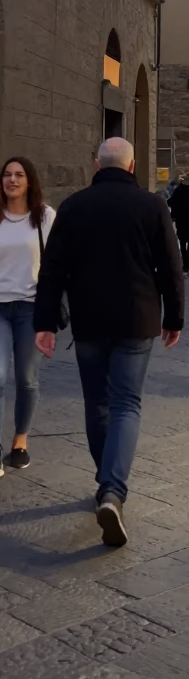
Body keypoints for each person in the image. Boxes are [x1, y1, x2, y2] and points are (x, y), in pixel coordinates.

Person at [34, 139, 184, 547]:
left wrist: (45, 322)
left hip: (89, 318)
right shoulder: (152, 205)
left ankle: (108, 484)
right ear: (132, 164)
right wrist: (175, 318)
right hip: (137, 317)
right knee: (126, 404)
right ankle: (113, 491)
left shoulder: (74, 206)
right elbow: (172, 266)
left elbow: (52, 270)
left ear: (96, 164)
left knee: (97, 403)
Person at [0, 157, 55, 475]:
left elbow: (56, 265)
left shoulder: (44, 217)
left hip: (30, 309)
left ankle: (20, 441)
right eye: (7, 174)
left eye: (19, 175)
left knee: (26, 379)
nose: (12, 179)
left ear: (30, 181)